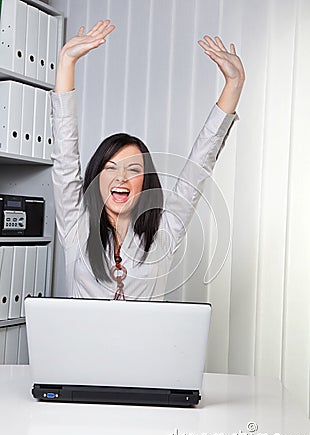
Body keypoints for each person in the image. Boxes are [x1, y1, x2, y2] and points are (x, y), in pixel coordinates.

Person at [51, 20, 245, 300]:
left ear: (146, 181)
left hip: (147, 345)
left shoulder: (164, 232)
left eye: (133, 169)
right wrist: (67, 62)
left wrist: (234, 84)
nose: (121, 178)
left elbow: (199, 166)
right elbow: (64, 157)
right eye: (111, 168)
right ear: (96, 177)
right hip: (81, 344)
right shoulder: (76, 226)